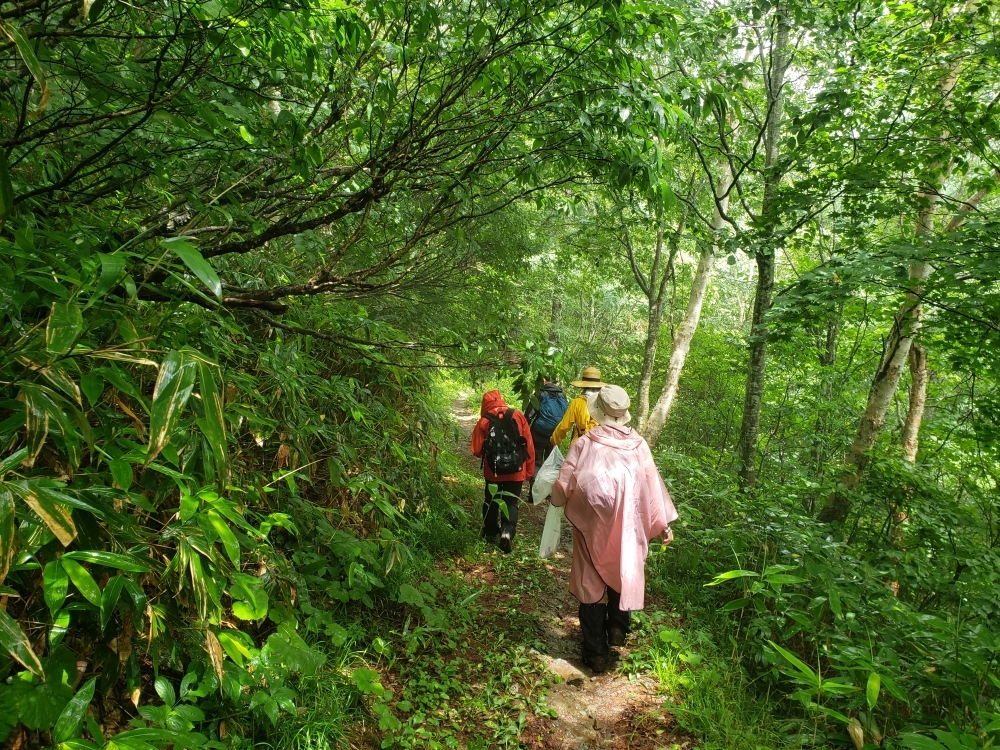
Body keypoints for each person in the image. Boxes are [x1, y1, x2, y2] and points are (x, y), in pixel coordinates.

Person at [551, 384, 678, 673]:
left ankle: (595, 653)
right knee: (624, 568)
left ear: (599, 411)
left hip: (592, 522)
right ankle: (618, 629)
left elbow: (565, 482)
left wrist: (556, 498)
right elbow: (652, 486)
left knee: (590, 577)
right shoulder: (638, 445)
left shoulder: (585, 444)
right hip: (629, 524)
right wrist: (663, 525)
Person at [470, 390, 536, 553]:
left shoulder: (484, 421)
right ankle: (507, 532)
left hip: (493, 471)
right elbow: (529, 446)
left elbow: (476, 449)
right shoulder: (518, 416)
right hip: (516, 470)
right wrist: (529, 472)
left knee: (491, 500)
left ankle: (490, 531)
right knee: (511, 502)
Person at [524, 376, 569, 479]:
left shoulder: (539, 393)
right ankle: (547, 487)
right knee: (551, 463)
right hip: (555, 434)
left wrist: (524, 429)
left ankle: (534, 487)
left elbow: (529, 415)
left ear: (544, 380)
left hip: (538, 434)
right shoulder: (562, 394)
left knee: (536, 462)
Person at [550, 366, 607, 447]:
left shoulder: (577, 402)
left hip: (581, 444)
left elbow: (564, 426)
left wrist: (554, 439)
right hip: (600, 445)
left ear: (583, 385)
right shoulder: (605, 402)